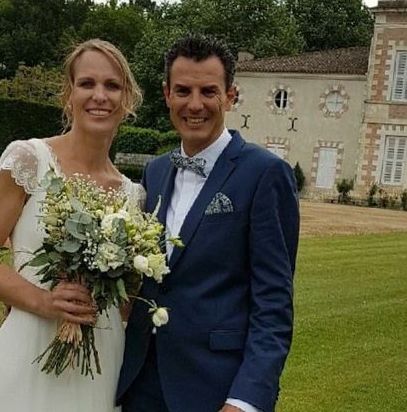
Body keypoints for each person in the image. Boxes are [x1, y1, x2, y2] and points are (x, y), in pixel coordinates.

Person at [117, 35, 300, 412]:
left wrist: (245, 400)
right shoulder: (155, 171)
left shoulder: (266, 174)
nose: (195, 104)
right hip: (139, 383)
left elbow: (273, 305)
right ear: (167, 94)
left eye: (208, 91)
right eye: (183, 90)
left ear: (230, 96)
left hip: (214, 389)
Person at [0, 39, 144, 412]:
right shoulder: (29, 160)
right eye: (87, 84)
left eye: (112, 86)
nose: (100, 96)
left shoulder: (133, 195)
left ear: (127, 99)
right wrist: (43, 302)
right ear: (69, 93)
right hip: (30, 344)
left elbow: (127, 299)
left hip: (101, 359)